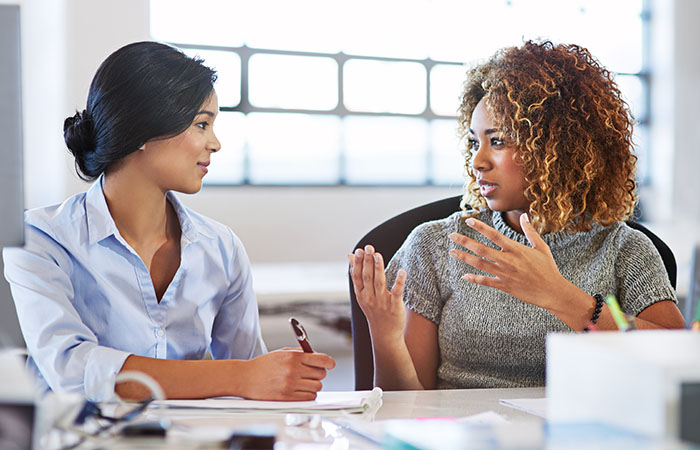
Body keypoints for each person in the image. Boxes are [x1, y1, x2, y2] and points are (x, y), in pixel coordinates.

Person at [3, 41, 335, 402]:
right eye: (202, 124)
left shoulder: (221, 247)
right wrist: (241, 376)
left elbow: (251, 378)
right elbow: (72, 369)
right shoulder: (40, 238)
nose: (216, 143)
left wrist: (276, 378)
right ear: (143, 130)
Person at [349, 40, 685, 391]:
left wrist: (563, 297)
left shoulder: (623, 248)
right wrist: (385, 336)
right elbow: (405, 407)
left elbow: (677, 356)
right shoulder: (434, 246)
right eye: (473, 142)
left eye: (497, 142)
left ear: (557, 147)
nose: (478, 161)